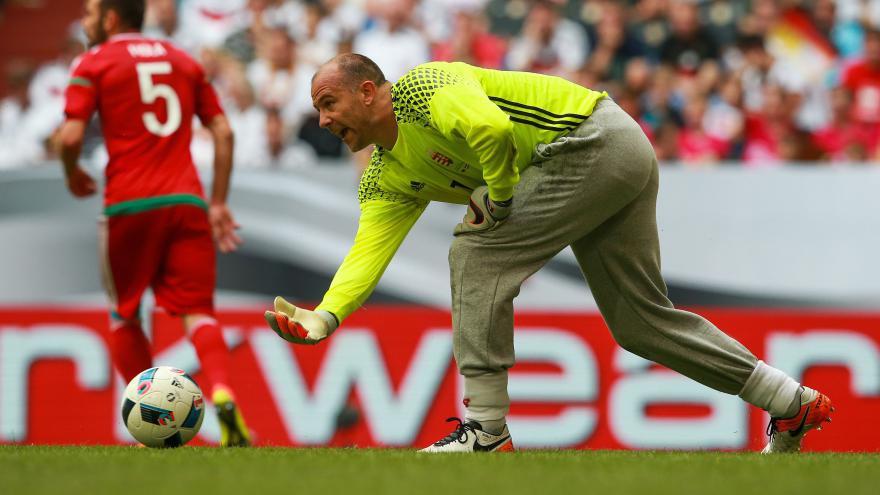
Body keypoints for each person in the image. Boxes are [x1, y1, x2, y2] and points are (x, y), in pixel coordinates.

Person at [264, 53, 833, 453]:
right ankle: (790, 401)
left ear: (367, 91)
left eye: (329, 103)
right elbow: (367, 253)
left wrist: (498, 197)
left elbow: (491, 130)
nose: (323, 120)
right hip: (615, 150)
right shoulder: (383, 176)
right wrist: (326, 315)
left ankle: (486, 430)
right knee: (639, 322)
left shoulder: (421, 87)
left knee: (476, 253)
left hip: (587, 141)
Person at [59, 0, 251, 447]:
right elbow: (224, 132)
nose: (85, 23)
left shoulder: (94, 61)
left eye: (89, 15)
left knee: (124, 313)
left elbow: (70, 136)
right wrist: (218, 202)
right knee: (199, 312)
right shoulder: (183, 59)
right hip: (187, 200)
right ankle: (223, 391)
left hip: (129, 203)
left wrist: (71, 172)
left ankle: (153, 422)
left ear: (110, 18)